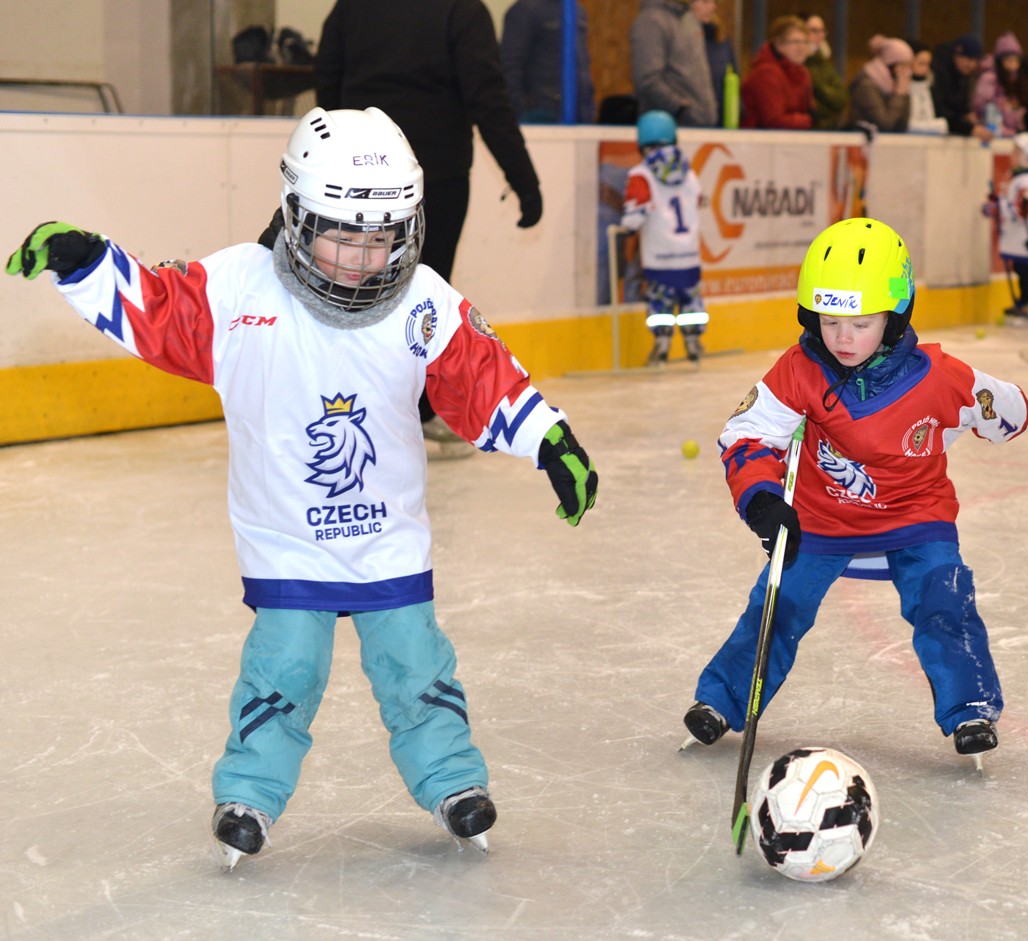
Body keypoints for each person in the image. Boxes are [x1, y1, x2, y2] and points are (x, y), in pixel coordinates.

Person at [4, 107, 599, 869]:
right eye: (342, 233)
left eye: (381, 235)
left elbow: (480, 377)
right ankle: (248, 790)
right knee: (283, 670)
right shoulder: (236, 288)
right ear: (295, 212)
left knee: (417, 666)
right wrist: (88, 262)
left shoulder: (422, 300)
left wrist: (550, 440)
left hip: (386, 535)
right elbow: (158, 309)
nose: (360, 257)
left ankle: (453, 782)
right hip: (286, 538)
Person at [680, 217, 1028, 762]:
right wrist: (763, 500)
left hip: (916, 514)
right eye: (829, 320)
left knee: (942, 594)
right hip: (823, 518)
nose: (842, 338)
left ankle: (970, 709)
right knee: (779, 600)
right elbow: (746, 435)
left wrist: (998, 412)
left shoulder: (939, 378)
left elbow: (1009, 411)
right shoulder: (800, 370)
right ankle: (723, 699)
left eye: (861, 323)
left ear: (894, 318)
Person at [314, 0, 544, 452]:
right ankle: (412, 412)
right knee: (420, 297)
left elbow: (327, 81)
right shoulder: (462, 10)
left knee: (349, 290)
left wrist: (334, 160)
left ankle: (351, 405)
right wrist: (524, 179)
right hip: (433, 178)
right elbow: (487, 96)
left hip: (356, 182)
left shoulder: (353, 8)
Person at [619, 110, 708, 364]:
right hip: (688, 254)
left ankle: (662, 342)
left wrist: (628, 226)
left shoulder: (641, 174)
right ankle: (693, 341)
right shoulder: (689, 173)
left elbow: (637, 208)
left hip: (659, 256)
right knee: (691, 299)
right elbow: (698, 199)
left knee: (661, 301)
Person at [985, 132, 1028, 324]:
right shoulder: (1019, 179)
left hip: (1027, 238)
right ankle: (1026, 302)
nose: (1011, 155)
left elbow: (1022, 210)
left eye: (1016, 152)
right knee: (1022, 271)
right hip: (1019, 238)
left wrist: (1000, 206)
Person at [500, 0, 596, 124]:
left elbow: (582, 63)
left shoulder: (577, 11)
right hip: (542, 115)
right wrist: (522, 112)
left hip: (580, 113)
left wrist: (588, 106)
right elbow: (510, 65)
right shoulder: (526, 10)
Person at [630, 0, 718, 128]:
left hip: (699, 124)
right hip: (669, 128)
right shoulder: (651, 21)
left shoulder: (688, 20)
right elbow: (647, 78)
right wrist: (679, 107)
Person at [740, 16, 814, 130]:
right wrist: (809, 121)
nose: (801, 47)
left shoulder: (802, 74)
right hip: (758, 141)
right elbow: (773, 120)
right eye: (795, 42)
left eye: (805, 42)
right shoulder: (766, 73)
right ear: (779, 45)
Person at [930, 33, 993, 143]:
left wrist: (966, 116)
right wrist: (968, 127)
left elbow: (960, 107)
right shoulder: (939, 75)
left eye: (975, 60)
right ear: (956, 55)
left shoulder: (965, 77)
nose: (971, 65)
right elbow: (941, 112)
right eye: (968, 59)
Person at [848, 35, 913, 133]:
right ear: (891, 64)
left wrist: (903, 94)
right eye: (903, 65)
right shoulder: (867, 86)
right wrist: (898, 95)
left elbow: (902, 125)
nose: (907, 72)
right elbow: (885, 124)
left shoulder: (895, 86)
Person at [691, 0, 739, 127]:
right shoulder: (680, 40)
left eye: (714, 3)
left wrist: (738, 110)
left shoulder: (722, 40)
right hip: (690, 119)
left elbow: (734, 75)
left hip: (721, 120)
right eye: (705, 2)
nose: (712, 7)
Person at [971, 31, 1025, 138]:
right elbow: (980, 106)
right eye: (1009, 60)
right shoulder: (990, 79)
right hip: (990, 132)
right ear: (1000, 61)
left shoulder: (1014, 81)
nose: (1013, 64)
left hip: (1008, 133)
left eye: (1016, 60)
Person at [802, 13, 848, 129]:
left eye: (822, 31)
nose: (820, 36)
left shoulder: (824, 62)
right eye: (814, 30)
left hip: (825, 127)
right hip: (806, 128)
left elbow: (841, 98)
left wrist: (821, 89)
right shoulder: (798, 63)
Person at [904, 39, 948, 135]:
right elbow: (907, 124)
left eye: (928, 64)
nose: (925, 68)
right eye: (921, 63)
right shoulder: (901, 88)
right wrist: (938, 125)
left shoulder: (930, 86)